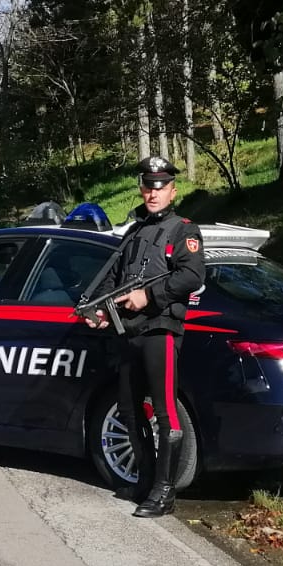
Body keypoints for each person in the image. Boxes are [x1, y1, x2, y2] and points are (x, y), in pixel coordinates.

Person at [82, 154, 206, 517]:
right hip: (129, 333)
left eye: (160, 187)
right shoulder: (134, 231)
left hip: (160, 330)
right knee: (129, 410)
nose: (153, 193)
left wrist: (148, 296)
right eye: (148, 186)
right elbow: (114, 277)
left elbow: (191, 276)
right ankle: (146, 480)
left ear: (172, 190)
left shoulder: (184, 230)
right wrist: (102, 311)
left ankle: (164, 492)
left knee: (165, 413)